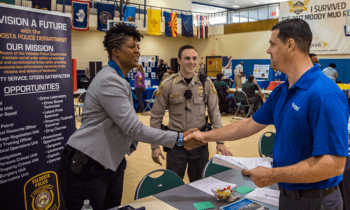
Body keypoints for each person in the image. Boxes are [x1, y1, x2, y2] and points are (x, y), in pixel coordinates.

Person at [185, 19, 349, 210]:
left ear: (290, 45)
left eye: (272, 44)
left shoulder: (324, 95)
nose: (268, 50)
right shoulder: (282, 92)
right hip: (287, 197)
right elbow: (247, 124)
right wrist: (205, 136)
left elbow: (333, 165)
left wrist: (273, 175)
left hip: (317, 202)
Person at [58, 23, 197, 210]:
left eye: (138, 46)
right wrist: (179, 138)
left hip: (111, 163)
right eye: (132, 47)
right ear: (116, 52)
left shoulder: (119, 78)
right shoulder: (109, 80)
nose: (137, 51)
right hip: (88, 165)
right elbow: (134, 129)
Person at [150, 45, 232, 182]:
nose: (191, 62)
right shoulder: (168, 85)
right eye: (187, 58)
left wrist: (220, 141)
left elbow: (214, 113)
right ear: (179, 60)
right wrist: (154, 145)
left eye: (194, 58)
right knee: (173, 184)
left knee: (200, 183)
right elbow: (156, 117)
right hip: (176, 144)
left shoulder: (206, 84)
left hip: (199, 143)